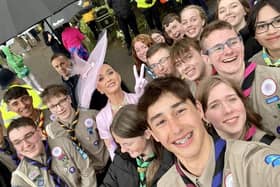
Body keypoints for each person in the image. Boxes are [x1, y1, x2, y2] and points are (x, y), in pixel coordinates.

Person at [137, 76, 280, 186]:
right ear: (154, 135)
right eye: (161, 122)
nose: (176, 128)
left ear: (199, 110)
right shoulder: (166, 184)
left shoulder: (252, 162)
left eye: (180, 111)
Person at [200, 20, 280, 137]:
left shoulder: (276, 77)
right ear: (206, 58)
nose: (228, 51)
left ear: (241, 43)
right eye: (218, 48)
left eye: (232, 42)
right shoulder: (208, 101)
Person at [41, 84, 110, 184]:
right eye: (53, 106)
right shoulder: (52, 130)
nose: (59, 108)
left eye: (61, 101)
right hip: (87, 178)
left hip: (108, 166)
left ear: (69, 99)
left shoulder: (92, 115)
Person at [196, 75, 280, 150]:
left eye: (232, 99)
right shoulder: (204, 155)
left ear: (242, 101)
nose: (228, 110)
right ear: (204, 116)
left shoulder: (272, 149)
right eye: (215, 105)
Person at [8, 117, 97, 187]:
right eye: (17, 142)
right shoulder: (20, 178)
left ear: (39, 132)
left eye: (28, 136)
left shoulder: (63, 144)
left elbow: (86, 169)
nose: (26, 144)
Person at [101, 104, 174, 187]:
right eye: (119, 144)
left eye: (128, 144)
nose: (123, 150)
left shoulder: (171, 161)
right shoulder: (121, 158)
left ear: (147, 134)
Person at [96, 64, 140, 159]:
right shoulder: (101, 118)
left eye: (110, 73)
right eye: (101, 79)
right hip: (130, 159)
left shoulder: (138, 99)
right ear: (99, 89)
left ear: (119, 76)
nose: (108, 79)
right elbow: (112, 149)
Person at [248, 0, 280, 67]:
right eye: (262, 26)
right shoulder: (252, 66)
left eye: (278, 21)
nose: (271, 31)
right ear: (254, 35)